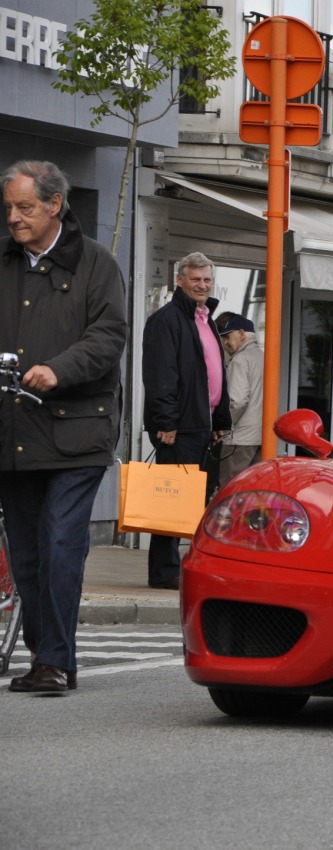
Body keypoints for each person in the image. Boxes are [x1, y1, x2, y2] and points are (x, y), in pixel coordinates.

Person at [0, 159, 128, 693]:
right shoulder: (4, 263)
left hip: (77, 434)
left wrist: (59, 369)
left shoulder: (97, 265)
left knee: (59, 542)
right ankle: (42, 655)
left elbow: (109, 336)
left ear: (55, 205)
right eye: (8, 208)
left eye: (25, 207)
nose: (14, 218)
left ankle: (54, 661)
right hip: (13, 434)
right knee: (26, 553)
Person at [141, 251, 231, 590]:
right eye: (196, 279)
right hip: (179, 426)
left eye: (207, 279)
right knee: (171, 501)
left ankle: (181, 566)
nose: (203, 285)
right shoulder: (167, 320)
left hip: (202, 424)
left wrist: (220, 419)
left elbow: (212, 373)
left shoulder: (204, 318)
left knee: (193, 501)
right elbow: (161, 374)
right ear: (180, 280)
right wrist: (165, 421)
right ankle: (164, 571)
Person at [214, 312, 263, 484]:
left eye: (227, 337)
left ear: (242, 333)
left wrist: (221, 426)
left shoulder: (240, 360)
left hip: (239, 439)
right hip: (261, 438)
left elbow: (237, 400)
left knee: (231, 491)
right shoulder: (264, 357)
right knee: (253, 493)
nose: (225, 343)